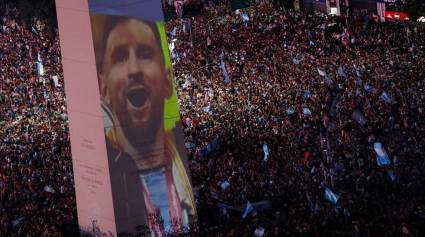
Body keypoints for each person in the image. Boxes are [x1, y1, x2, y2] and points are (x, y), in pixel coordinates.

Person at [93, 15, 196, 236]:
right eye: (120, 57)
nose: (134, 69)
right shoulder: (107, 191)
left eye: (145, 54)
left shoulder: (185, 170)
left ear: (167, 81)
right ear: (104, 90)